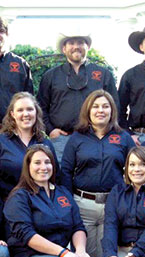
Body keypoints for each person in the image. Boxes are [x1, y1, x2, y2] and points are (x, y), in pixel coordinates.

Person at [61, 90, 135, 257]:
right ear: (88, 110)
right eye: (95, 106)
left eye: (105, 106)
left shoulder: (123, 138)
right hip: (82, 205)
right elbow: (65, 170)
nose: (100, 110)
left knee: (107, 256)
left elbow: (136, 169)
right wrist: (69, 201)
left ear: (112, 111)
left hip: (113, 205)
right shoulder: (77, 138)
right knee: (84, 256)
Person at [37, 30, 119, 160]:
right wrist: (50, 130)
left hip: (94, 138)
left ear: (88, 47)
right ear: (64, 48)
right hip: (61, 140)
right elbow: (40, 107)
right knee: (61, 177)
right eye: (71, 43)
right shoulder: (51, 76)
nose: (76, 46)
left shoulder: (103, 74)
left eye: (80, 42)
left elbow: (115, 107)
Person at [0, 92, 59, 200]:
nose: (26, 114)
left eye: (30, 109)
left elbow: (56, 177)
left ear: (36, 112)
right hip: (8, 205)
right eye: (20, 110)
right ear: (12, 114)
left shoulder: (46, 143)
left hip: (41, 205)